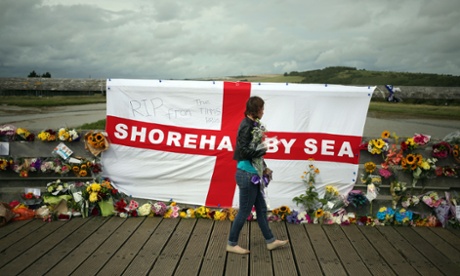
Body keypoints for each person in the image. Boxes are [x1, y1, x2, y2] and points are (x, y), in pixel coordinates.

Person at [226, 96, 289, 255]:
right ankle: (231, 243)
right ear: (255, 110)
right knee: (245, 211)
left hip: (253, 173)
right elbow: (244, 152)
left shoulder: (253, 125)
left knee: (261, 210)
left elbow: (254, 154)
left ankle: (271, 241)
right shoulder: (246, 127)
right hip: (247, 175)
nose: (263, 111)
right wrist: (263, 149)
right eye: (261, 109)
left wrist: (264, 168)